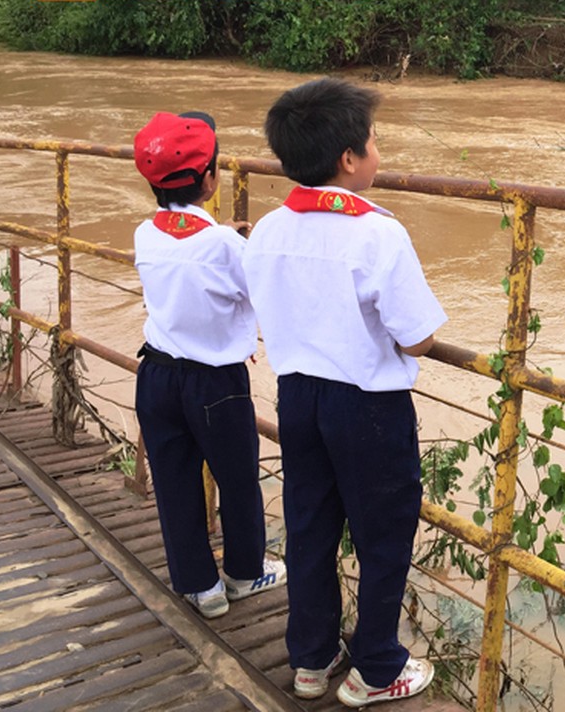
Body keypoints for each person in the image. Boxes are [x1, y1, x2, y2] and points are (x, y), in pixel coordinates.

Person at [243, 78, 446, 706]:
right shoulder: (377, 233)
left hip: (297, 396)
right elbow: (418, 339)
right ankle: (377, 668)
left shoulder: (270, 228)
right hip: (367, 408)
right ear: (349, 159)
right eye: (374, 142)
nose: (379, 153)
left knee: (309, 525)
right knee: (383, 533)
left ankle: (312, 658)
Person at [132, 111, 286, 620]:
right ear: (212, 178)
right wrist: (242, 240)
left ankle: (201, 588)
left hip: (155, 376)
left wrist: (225, 236)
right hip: (215, 383)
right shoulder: (226, 245)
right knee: (238, 477)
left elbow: (186, 245)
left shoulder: (144, 235)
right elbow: (262, 288)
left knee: (174, 481)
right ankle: (244, 573)